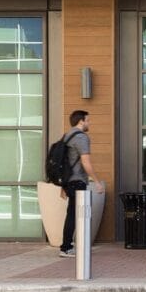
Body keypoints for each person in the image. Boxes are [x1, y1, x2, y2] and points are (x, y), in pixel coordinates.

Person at [58, 109, 94, 258]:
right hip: (78, 181)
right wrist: (96, 180)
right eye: (88, 120)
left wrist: (63, 185)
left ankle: (68, 246)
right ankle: (66, 247)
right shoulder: (81, 138)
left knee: (72, 214)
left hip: (68, 181)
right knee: (76, 215)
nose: (89, 123)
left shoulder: (66, 136)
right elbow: (85, 161)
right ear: (81, 121)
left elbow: (63, 162)